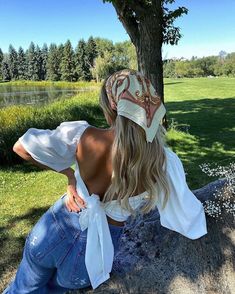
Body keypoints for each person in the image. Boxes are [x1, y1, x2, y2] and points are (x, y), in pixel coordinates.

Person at [3, 69, 208, 293]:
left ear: (112, 105)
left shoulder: (85, 136)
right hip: (94, 251)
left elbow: (21, 147)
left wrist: (69, 175)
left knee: (22, 288)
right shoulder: (161, 161)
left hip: (55, 228)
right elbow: (187, 214)